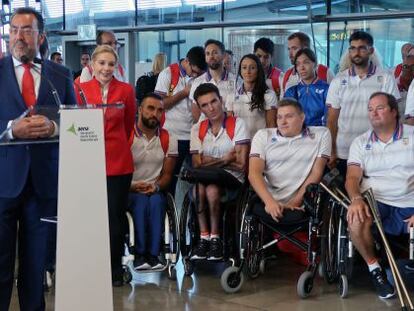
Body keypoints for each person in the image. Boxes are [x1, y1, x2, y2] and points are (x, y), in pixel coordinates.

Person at [0, 7, 77, 310]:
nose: (19, 36)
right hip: (4, 182)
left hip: (44, 183)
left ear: (40, 36)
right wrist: (10, 129)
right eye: (14, 30)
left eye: (26, 30)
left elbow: (76, 121)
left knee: (35, 266)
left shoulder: (61, 74)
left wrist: (55, 126)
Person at [345, 92, 414, 299]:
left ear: (394, 112)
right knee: (355, 219)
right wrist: (356, 199)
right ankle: (375, 269)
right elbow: (352, 177)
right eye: (370, 109)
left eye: (380, 108)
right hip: (376, 201)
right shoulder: (360, 142)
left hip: (409, 201)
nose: (373, 113)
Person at [77, 45, 136, 286]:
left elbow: (129, 123)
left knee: (114, 220)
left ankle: (114, 269)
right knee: (89, 218)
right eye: (101, 63)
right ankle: (89, 266)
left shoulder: (126, 90)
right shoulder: (79, 89)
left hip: (118, 164)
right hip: (86, 163)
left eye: (111, 64)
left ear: (116, 67)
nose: (106, 68)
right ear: (92, 65)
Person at [326, 31, 400, 176]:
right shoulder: (338, 80)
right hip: (344, 152)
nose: (356, 53)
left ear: (371, 50)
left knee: (374, 196)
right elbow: (332, 120)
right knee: (347, 197)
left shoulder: (385, 78)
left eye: (361, 48)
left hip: (376, 151)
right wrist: (332, 151)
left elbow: (393, 118)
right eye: (352, 48)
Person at [189, 83, 249, 260]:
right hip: (207, 181)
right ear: (200, 109)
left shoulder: (237, 124)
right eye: (205, 105)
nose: (211, 107)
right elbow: (196, 164)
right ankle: (205, 237)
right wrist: (226, 159)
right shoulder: (196, 129)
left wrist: (210, 161)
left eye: (214, 101)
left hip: (233, 180)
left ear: (221, 100)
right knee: (206, 189)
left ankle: (215, 238)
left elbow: (240, 164)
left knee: (211, 188)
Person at [249, 98, 331, 224]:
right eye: (279, 117)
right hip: (268, 199)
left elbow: (316, 173)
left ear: (302, 117)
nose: (283, 122)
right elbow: (254, 173)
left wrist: (294, 203)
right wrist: (270, 202)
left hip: (303, 201)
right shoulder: (263, 136)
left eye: (289, 116)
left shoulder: (321, 134)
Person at [129, 93, 178, 270]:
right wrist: (133, 186)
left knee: (157, 201)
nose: (154, 114)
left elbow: (167, 174)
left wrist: (155, 186)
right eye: (150, 108)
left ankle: (155, 254)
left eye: (159, 110)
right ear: (140, 110)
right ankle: (140, 254)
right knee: (141, 201)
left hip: (155, 189)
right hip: (129, 189)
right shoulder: (127, 135)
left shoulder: (168, 138)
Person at [154, 46, 206, 195]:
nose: (196, 75)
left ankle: (191, 216)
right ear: (187, 61)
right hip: (173, 136)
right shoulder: (168, 73)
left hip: (195, 136)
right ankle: (168, 214)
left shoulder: (201, 77)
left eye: (199, 73)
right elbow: (160, 104)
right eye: (194, 71)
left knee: (197, 181)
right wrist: (184, 93)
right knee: (169, 180)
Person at [226, 54, 277, 139]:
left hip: (260, 143)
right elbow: (230, 126)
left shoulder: (268, 95)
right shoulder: (231, 96)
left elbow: (271, 126)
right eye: (244, 67)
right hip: (239, 143)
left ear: (258, 70)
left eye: (252, 68)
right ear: (240, 71)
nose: (248, 71)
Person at [189, 39, 236, 122]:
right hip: (207, 132)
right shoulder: (198, 82)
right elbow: (195, 110)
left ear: (223, 55)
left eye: (215, 53)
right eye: (208, 54)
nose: (211, 56)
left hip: (230, 130)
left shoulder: (236, 81)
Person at [284, 48, 329, 126]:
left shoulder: (327, 89)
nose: (302, 68)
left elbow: (330, 119)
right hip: (296, 134)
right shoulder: (291, 92)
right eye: (298, 64)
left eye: (306, 62)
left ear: (315, 64)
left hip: (320, 134)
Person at [281, 32, 334, 97]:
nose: (290, 54)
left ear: (306, 48)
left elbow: (335, 101)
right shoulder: (287, 75)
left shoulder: (325, 72)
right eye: (289, 49)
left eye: (294, 48)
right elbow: (283, 104)